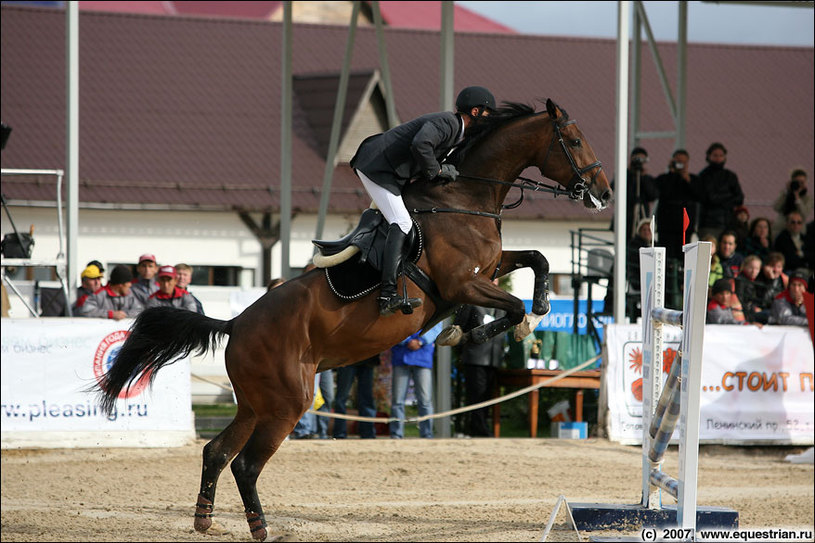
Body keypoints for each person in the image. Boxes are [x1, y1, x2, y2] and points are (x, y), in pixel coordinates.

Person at [350, 86, 496, 316]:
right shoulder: (447, 123)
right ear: (476, 111)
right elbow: (421, 144)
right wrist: (437, 170)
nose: (489, 119)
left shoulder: (457, 134)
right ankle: (387, 294)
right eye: (488, 113)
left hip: (393, 173)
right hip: (377, 168)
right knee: (402, 223)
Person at [454, 301, 506, 437]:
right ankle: (479, 429)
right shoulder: (472, 303)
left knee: (488, 395)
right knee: (477, 394)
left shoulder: (503, 306)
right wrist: (461, 352)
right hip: (475, 358)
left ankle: (479, 427)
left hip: (494, 359)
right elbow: (459, 328)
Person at [389, 322, 443, 439]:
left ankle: (427, 434)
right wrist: (407, 340)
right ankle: (396, 434)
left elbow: (437, 327)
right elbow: (392, 326)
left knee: (425, 400)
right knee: (397, 400)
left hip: (423, 357)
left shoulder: (433, 304)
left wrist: (421, 341)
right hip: (401, 356)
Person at [653, 149, 701, 262]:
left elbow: (699, 195)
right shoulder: (664, 179)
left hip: (684, 227)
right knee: (666, 256)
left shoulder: (694, 180)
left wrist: (687, 179)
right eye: (678, 162)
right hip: (666, 226)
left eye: (683, 162)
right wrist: (672, 172)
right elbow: (662, 192)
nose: (681, 165)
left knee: (683, 256)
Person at [695, 142, 744, 241]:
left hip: (728, 221)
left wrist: (721, 198)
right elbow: (710, 198)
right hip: (709, 222)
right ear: (709, 157)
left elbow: (740, 198)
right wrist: (729, 197)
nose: (718, 158)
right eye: (715, 155)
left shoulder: (730, 176)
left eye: (721, 155)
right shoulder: (703, 176)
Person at [609, 146, 657, 243]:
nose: (639, 162)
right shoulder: (623, 175)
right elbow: (612, 189)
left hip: (641, 218)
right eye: (637, 159)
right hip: (625, 216)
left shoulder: (646, 178)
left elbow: (653, 195)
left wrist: (643, 177)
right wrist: (627, 172)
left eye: (642, 160)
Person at [333, 355, 380, 439]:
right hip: (346, 359)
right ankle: (339, 433)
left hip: (367, 360)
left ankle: (368, 433)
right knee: (341, 399)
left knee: (367, 398)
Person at [77, 264, 142, 320]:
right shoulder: (98, 295)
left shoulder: (130, 295)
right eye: (128, 284)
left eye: (99, 278)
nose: (130, 286)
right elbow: (85, 311)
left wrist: (124, 314)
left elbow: (140, 311)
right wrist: (110, 314)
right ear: (120, 285)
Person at [772, 169, 812, 238]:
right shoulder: (785, 194)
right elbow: (776, 207)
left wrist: (797, 198)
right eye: (797, 182)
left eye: (802, 182)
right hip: (781, 227)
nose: (799, 185)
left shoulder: (808, 199)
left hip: (798, 231)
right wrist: (786, 191)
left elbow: (804, 214)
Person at [734, 255, 770, 324]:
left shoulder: (756, 280)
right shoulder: (740, 281)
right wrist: (753, 309)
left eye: (757, 269)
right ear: (744, 267)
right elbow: (740, 301)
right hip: (746, 314)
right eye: (751, 268)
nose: (754, 271)